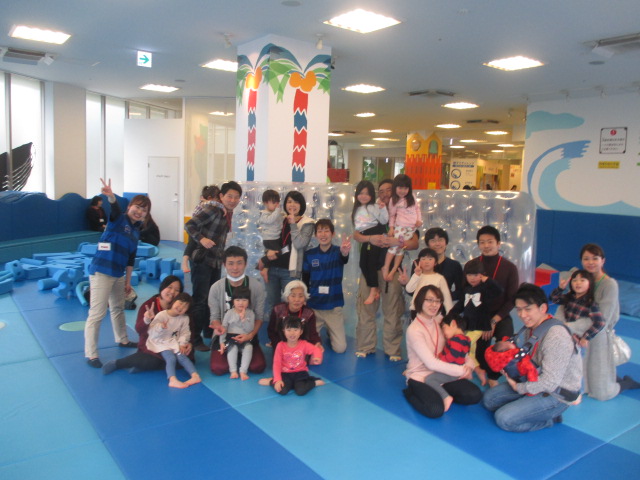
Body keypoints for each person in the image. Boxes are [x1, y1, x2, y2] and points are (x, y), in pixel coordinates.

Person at [482, 283, 582, 432]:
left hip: (556, 393)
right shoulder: (531, 327)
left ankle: (549, 419)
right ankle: (529, 406)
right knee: (489, 400)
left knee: (504, 419)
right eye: (519, 309)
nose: (522, 315)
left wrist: (520, 388)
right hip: (534, 379)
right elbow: (529, 359)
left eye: (527, 309)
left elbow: (550, 382)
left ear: (543, 308)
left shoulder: (556, 336)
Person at [84, 178, 150, 368]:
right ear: (129, 207)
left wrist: (128, 281)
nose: (139, 212)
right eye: (137, 207)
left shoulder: (136, 232)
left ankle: (122, 339)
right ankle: (91, 354)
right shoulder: (118, 219)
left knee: (118, 308)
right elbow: (113, 209)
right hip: (102, 272)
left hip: (118, 274)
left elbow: (130, 259)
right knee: (97, 313)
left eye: (144, 210)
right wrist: (111, 197)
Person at [354, 179, 419, 361]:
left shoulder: (405, 212)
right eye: (381, 191)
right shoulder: (373, 210)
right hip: (369, 270)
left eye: (388, 190)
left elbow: (414, 243)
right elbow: (356, 234)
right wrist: (371, 239)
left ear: (396, 191)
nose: (384, 194)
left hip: (392, 271)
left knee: (393, 311)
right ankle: (366, 346)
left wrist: (397, 242)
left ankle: (393, 350)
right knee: (366, 309)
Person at [403, 285, 481, 419]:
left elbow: (460, 346)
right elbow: (431, 364)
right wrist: (462, 371)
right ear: (420, 300)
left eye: (438, 301)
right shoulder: (414, 330)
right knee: (435, 410)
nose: (434, 305)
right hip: (421, 376)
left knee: (474, 395)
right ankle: (411, 390)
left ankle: (439, 392)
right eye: (430, 300)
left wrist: (469, 365)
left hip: (443, 374)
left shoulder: (441, 321)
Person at [184, 181, 242, 351]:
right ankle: (195, 338)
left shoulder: (226, 213)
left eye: (236, 197)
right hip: (202, 260)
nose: (233, 200)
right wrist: (201, 239)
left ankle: (208, 332)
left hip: (215, 261)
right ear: (221, 196)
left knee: (212, 299)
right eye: (229, 196)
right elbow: (189, 225)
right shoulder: (213, 209)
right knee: (200, 300)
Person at [578, 244, 640, 400]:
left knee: (602, 393)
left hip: (598, 334)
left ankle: (626, 383)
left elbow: (603, 318)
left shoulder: (609, 284)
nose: (590, 262)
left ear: (602, 261)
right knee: (584, 378)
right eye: (586, 259)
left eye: (595, 258)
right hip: (582, 332)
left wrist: (579, 328)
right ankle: (612, 377)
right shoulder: (583, 280)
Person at [102, 275, 196, 374]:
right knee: (155, 359)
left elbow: (190, 330)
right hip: (154, 343)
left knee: (187, 360)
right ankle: (118, 363)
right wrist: (146, 320)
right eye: (169, 287)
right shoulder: (149, 305)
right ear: (162, 288)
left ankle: (143, 365)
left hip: (174, 344)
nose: (172, 292)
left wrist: (189, 343)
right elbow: (139, 330)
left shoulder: (182, 309)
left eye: (177, 290)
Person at [466, 225, 519, 387]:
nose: (486, 245)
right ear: (478, 245)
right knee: (478, 349)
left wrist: (494, 321)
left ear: (498, 243)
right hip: (478, 315)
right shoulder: (472, 265)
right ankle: (482, 369)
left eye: (490, 241)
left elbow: (512, 299)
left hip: (500, 314)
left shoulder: (510, 268)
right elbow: (466, 293)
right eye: (482, 242)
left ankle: (494, 376)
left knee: (506, 343)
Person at [208, 246, 266, 375]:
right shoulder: (216, 288)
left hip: (247, 334)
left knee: (258, 367)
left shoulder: (256, 287)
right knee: (219, 368)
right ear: (224, 265)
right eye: (230, 263)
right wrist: (219, 328)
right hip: (225, 335)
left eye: (239, 263)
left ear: (245, 264)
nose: (235, 268)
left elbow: (259, 317)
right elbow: (214, 317)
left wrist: (250, 335)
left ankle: (243, 354)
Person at [449, 261, 503, 384]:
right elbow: (460, 306)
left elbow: (499, 290)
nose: (472, 278)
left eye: (476, 275)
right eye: (469, 275)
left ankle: (456, 370)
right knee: (471, 353)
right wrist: (450, 316)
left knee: (464, 344)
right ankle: (479, 370)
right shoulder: (466, 289)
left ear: (482, 275)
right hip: (468, 325)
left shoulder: (485, 289)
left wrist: (487, 280)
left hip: (480, 326)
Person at [302, 219, 351, 353]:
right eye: (320, 231)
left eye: (326, 231)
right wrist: (305, 298)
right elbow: (305, 278)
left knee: (340, 349)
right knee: (307, 345)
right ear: (315, 235)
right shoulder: (309, 255)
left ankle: (331, 330)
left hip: (333, 306)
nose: (323, 234)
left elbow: (344, 258)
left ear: (332, 234)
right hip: (315, 306)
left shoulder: (338, 251)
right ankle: (325, 330)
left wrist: (345, 252)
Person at [264, 190, 315, 317]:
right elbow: (269, 237)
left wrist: (293, 224)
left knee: (292, 305)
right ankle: (275, 329)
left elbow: (300, 244)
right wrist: (266, 258)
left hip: (290, 271)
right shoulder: (280, 218)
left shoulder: (307, 223)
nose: (292, 205)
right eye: (289, 201)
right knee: (272, 305)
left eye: (296, 202)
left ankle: (291, 329)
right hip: (272, 267)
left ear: (301, 205)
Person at [146, 292, 201, 389]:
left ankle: (195, 376)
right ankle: (172, 379)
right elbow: (152, 331)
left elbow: (185, 332)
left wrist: (182, 343)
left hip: (173, 341)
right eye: (180, 303)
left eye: (185, 306)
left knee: (182, 356)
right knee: (171, 358)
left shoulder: (184, 318)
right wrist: (161, 327)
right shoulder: (162, 315)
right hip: (160, 341)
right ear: (174, 301)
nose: (181, 307)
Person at [259, 316, 324, 396]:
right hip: (285, 373)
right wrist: (277, 380)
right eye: (289, 330)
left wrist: (317, 357)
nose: (292, 333)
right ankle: (271, 381)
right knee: (282, 390)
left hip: (300, 373)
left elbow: (316, 349)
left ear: (301, 331)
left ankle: (313, 382)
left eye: (295, 330)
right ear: (284, 331)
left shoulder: (304, 344)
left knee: (300, 391)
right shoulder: (280, 346)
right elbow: (277, 364)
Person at [423, 314, 471, 412]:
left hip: (452, 372)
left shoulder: (456, 339)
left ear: (453, 323)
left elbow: (452, 356)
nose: (443, 332)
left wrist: (440, 358)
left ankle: (445, 397)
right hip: (456, 371)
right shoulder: (466, 339)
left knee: (429, 379)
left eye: (444, 328)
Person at [351, 180, 388, 305]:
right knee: (363, 264)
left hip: (374, 233)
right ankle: (375, 288)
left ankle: (373, 290)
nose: (363, 196)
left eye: (367, 193)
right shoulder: (357, 208)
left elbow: (383, 220)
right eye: (361, 193)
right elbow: (357, 230)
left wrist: (383, 209)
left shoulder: (373, 207)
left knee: (371, 264)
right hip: (366, 236)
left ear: (372, 195)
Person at [381, 174, 422, 282]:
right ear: (395, 187)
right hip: (400, 226)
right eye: (400, 188)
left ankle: (393, 270)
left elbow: (417, 209)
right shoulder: (394, 200)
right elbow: (392, 215)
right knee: (394, 247)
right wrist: (391, 228)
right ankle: (386, 267)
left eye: (406, 188)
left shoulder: (412, 196)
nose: (403, 191)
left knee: (401, 249)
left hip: (411, 228)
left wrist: (419, 220)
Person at [550, 269, 604, 348]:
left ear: (590, 284)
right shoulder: (569, 297)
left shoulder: (590, 304)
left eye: (582, 280)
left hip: (575, 338)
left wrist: (586, 337)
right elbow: (554, 299)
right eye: (574, 280)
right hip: (562, 333)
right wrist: (560, 288)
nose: (578, 283)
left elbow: (600, 322)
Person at [267, 280, 321, 349]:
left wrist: (317, 342)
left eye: (301, 296)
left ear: (305, 298)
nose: (297, 299)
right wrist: (278, 345)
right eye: (293, 296)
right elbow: (272, 331)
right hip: (281, 345)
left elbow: (312, 334)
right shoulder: (277, 309)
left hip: (301, 347)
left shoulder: (309, 313)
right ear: (287, 297)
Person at [182, 185, 221, 273]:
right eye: (217, 198)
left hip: (197, 227)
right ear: (210, 198)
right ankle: (184, 262)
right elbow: (215, 203)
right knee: (191, 244)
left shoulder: (206, 202)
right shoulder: (206, 203)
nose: (219, 201)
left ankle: (185, 261)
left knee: (191, 244)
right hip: (195, 227)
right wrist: (222, 206)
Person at [402, 247, 453, 314]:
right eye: (423, 259)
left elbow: (447, 298)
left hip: (433, 311)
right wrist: (416, 275)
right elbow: (409, 289)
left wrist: (450, 315)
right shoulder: (417, 276)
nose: (426, 262)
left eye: (430, 259)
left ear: (435, 262)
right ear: (419, 262)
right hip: (416, 310)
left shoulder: (440, 278)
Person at [219, 286, 255, 380]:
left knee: (249, 347)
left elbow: (250, 329)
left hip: (245, 337)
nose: (241, 303)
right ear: (233, 301)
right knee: (233, 348)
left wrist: (244, 319)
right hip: (231, 337)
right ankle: (233, 371)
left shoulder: (250, 313)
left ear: (248, 302)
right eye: (238, 300)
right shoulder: (229, 313)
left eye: (244, 300)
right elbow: (224, 328)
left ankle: (243, 371)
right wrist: (222, 342)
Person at [424, 228, 463, 303]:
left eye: (440, 240)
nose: (437, 244)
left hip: (445, 306)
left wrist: (442, 297)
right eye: (433, 241)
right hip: (423, 306)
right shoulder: (419, 264)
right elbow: (413, 292)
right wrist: (405, 283)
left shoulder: (454, 265)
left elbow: (461, 291)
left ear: (446, 243)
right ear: (427, 244)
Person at [256, 189, 284, 283]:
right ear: (265, 203)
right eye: (274, 202)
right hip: (269, 239)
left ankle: (265, 269)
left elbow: (279, 221)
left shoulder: (275, 213)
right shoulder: (264, 214)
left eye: (277, 202)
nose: (276, 204)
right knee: (278, 253)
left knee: (273, 255)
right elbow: (270, 220)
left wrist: (283, 216)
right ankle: (262, 262)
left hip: (276, 238)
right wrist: (277, 211)